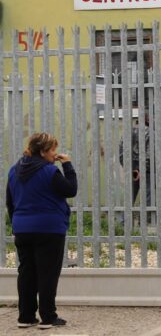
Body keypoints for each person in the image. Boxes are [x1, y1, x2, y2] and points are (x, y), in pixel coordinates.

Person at [5, 133, 78, 329]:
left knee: (26, 273)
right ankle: (48, 317)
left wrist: (16, 225)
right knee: (47, 273)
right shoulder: (49, 172)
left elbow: (10, 202)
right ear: (43, 151)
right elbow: (70, 190)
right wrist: (68, 165)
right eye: (53, 150)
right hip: (49, 228)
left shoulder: (14, 171)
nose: (55, 154)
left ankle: (26, 317)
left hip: (22, 228)